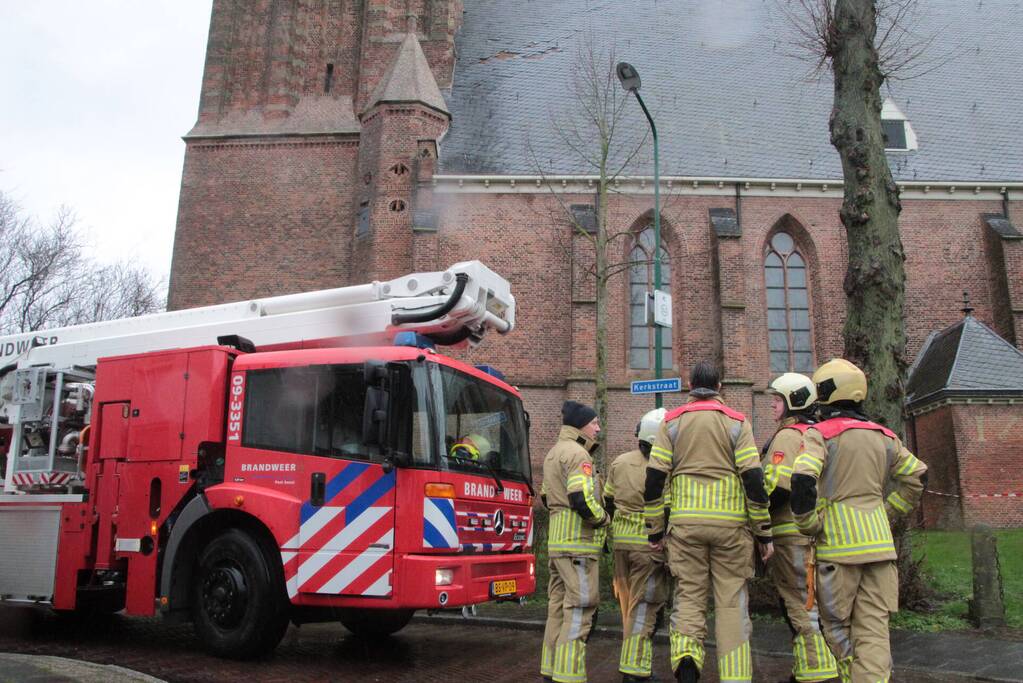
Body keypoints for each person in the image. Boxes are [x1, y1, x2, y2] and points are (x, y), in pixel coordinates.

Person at [791, 359, 928, 683]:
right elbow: (918, 477)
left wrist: (809, 523)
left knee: (837, 628)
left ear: (825, 394)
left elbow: (802, 480)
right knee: (874, 632)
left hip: (839, 551)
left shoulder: (819, 434)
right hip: (880, 549)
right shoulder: (884, 435)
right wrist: (889, 511)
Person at [644, 361, 773, 683]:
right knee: (731, 605)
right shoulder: (737, 422)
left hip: (686, 526)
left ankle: (687, 662)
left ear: (690, 384)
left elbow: (654, 481)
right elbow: (754, 481)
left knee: (688, 597)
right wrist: (764, 534)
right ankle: (735, 676)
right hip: (731, 526)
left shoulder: (671, 423)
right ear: (719, 386)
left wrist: (655, 531)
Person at [762, 373, 838, 683]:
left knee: (797, 600)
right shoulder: (820, 434)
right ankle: (810, 668)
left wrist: (755, 515)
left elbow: (779, 487)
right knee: (819, 600)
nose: (773, 405)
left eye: (777, 400)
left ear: (792, 402)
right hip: (821, 531)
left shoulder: (787, 436)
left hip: (790, 531)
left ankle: (816, 670)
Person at [540, 400, 609, 683]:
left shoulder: (553, 453)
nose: (598, 428)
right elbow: (580, 499)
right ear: (581, 425)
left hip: (557, 545)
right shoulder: (579, 454)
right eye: (594, 423)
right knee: (580, 608)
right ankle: (567, 676)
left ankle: (550, 670)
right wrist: (604, 518)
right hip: (577, 546)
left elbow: (545, 497)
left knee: (557, 608)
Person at [604, 407, 670, 683]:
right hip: (648, 547)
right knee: (644, 609)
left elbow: (608, 500)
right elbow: (666, 510)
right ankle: (635, 669)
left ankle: (633, 664)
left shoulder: (619, 462)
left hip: (621, 545)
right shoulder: (663, 468)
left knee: (628, 608)